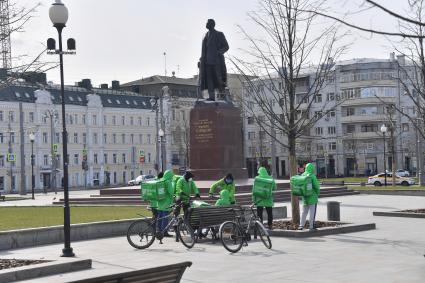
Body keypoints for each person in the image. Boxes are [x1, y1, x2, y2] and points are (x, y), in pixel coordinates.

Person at [199, 19, 229, 101]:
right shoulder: (205, 36)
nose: (206, 24)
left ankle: (223, 96)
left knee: (219, 79)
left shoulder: (219, 34)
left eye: (207, 23)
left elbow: (226, 46)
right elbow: (204, 50)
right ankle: (211, 96)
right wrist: (201, 60)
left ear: (211, 24)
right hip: (207, 62)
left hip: (216, 62)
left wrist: (218, 53)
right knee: (209, 80)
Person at [298, 162, 320, 231]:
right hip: (312, 197)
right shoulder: (312, 176)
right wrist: (317, 193)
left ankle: (301, 226)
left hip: (305, 197)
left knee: (304, 212)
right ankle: (311, 226)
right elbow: (316, 186)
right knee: (312, 212)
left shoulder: (302, 175)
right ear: (312, 168)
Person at [156, 170, 174, 237]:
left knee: (159, 217)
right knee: (165, 218)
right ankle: (164, 232)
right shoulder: (168, 182)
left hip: (159, 202)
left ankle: (158, 230)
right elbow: (171, 192)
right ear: (169, 175)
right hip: (166, 203)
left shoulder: (160, 180)